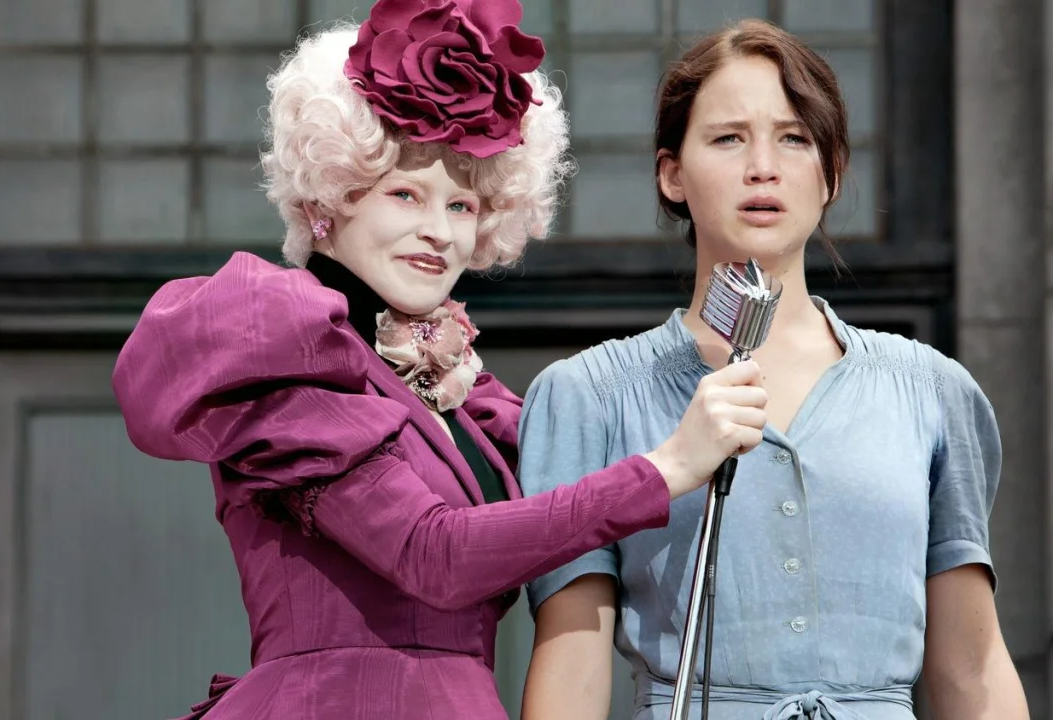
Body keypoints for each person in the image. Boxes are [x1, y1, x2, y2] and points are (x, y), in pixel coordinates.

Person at [110, 1, 770, 718]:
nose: (438, 232)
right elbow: (435, 555)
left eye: (462, 206)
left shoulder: (460, 390)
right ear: (330, 196)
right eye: (405, 194)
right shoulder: (287, 351)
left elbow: (566, 517)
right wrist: (667, 467)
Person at [517, 18, 1029, 720]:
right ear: (672, 174)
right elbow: (571, 669)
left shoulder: (932, 392)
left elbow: (971, 671)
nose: (763, 166)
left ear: (833, 173)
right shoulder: (590, 397)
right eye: (728, 138)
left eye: (794, 138)